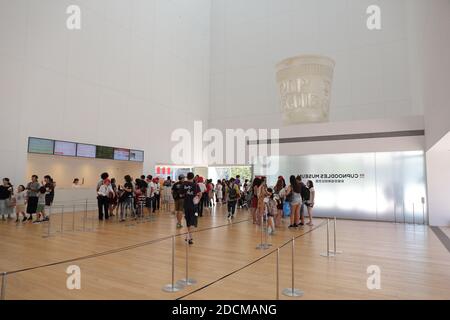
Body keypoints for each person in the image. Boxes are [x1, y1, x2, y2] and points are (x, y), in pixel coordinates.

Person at [183, 172, 201, 245]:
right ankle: (189, 237)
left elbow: (181, 193)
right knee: (193, 222)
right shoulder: (195, 185)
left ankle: (188, 236)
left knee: (188, 221)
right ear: (193, 177)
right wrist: (198, 200)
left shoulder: (183, 185)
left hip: (186, 205)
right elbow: (200, 194)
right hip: (194, 206)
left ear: (187, 177)